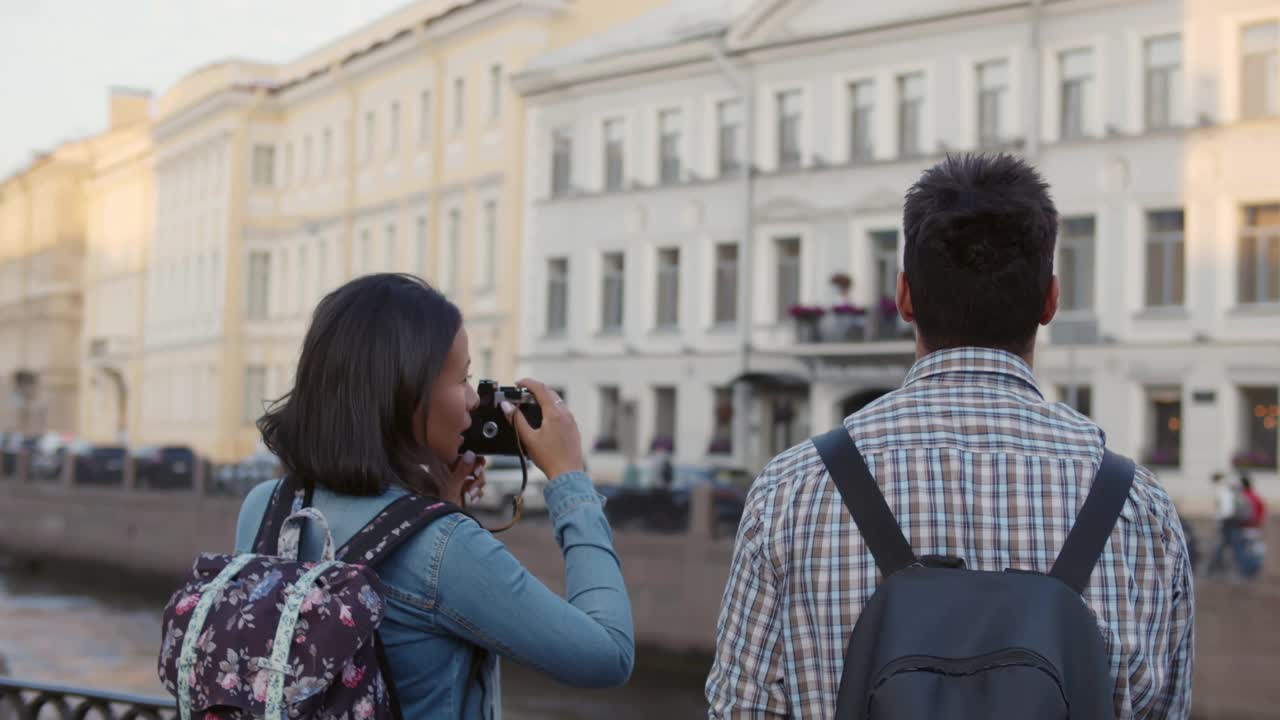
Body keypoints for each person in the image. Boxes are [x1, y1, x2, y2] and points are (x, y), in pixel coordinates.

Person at [706, 154, 1193, 718]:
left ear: (904, 297)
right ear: (1050, 301)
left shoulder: (792, 493)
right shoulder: (1140, 508)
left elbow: (738, 711)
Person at [235, 273, 633, 720]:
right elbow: (608, 654)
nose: (471, 400)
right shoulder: (445, 548)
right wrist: (569, 479)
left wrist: (434, 506)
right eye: (462, 378)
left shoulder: (266, 507)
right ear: (405, 395)